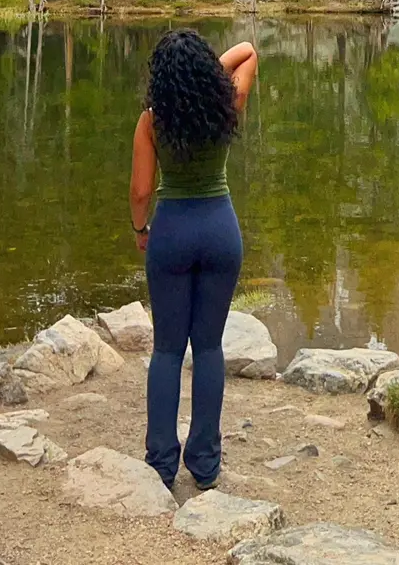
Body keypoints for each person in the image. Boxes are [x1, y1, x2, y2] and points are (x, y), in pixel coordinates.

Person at [129, 30, 258, 490]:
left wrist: (140, 229)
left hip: (173, 232)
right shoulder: (226, 106)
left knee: (166, 349)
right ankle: (204, 463)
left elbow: (141, 192)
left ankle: (162, 463)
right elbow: (247, 52)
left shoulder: (152, 121)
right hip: (221, 231)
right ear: (205, 69)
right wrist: (208, 78)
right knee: (208, 348)